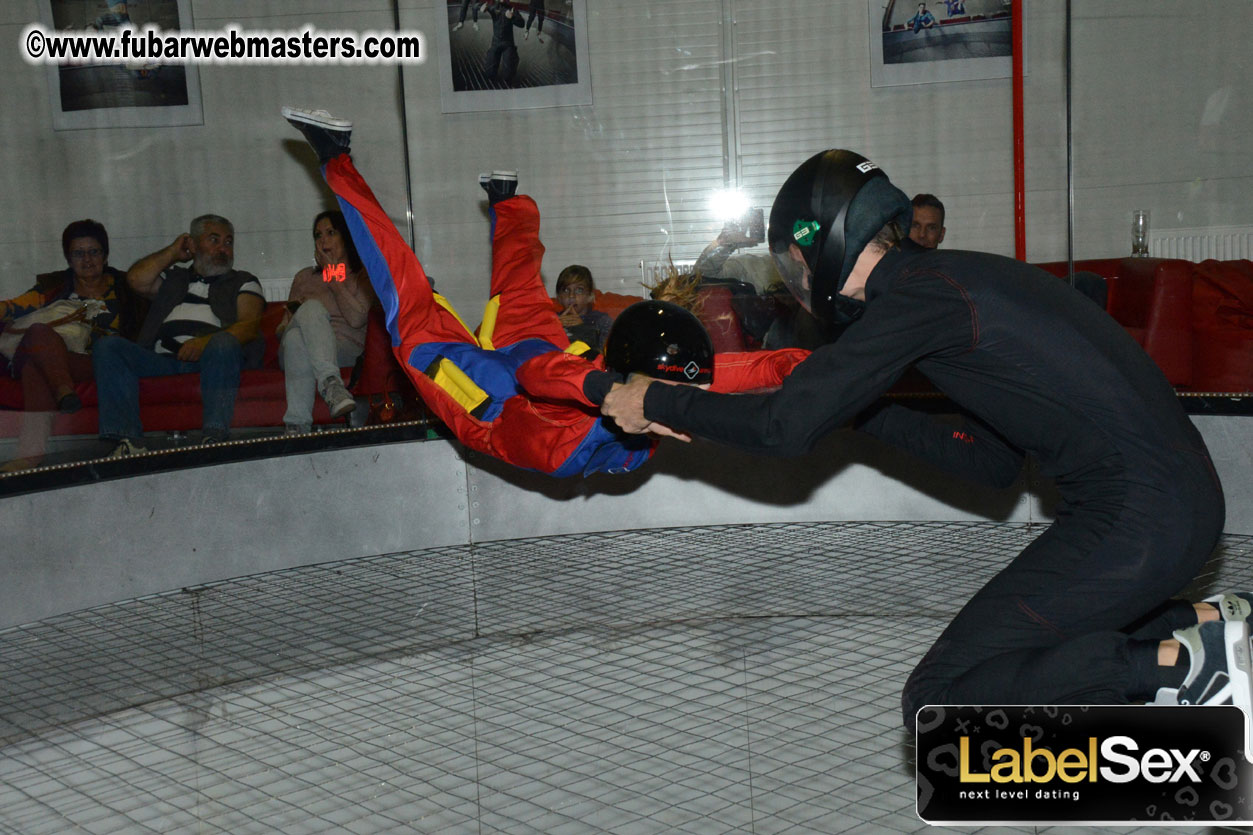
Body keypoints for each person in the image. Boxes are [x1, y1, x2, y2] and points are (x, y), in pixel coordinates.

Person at [602, 149, 1247, 741]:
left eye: (794, 262)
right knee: (1031, 656)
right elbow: (991, 465)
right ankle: (1208, 629)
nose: (797, 279)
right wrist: (856, 411)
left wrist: (652, 400)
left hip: (1138, 515)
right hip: (1177, 510)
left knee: (936, 699)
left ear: (822, 244)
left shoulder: (917, 298)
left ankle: (1184, 664)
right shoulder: (951, 283)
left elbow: (782, 429)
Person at [280, 106, 808, 477]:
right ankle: (503, 203)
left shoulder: (571, 437)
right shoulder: (310, 278)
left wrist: (830, 366)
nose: (325, 243)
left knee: (410, 303)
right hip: (556, 372)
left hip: (494, 405)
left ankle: (338, 162)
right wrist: (814, 364)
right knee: (518, 297)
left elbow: (543, 379)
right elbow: (747, 371)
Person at [93, 214, 265, 454]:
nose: (223, 248)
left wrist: (204, 343)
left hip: (211, 359)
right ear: (193, 245)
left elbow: (249, 326)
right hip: (160, 360)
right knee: (108, 346)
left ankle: (214, 438)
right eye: (213, 240)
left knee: (224, 342)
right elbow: (135, 280)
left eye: (228, 242)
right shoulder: (174, 280)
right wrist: (174, 252)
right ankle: (128, 442)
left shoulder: (244, 281)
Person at [0, 220, 144, 471]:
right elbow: (13, 307)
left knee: (38, 361)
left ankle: (31, 455)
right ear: (68, 258)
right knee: (37, 342)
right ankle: (63, 390)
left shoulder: (125, 287)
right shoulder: (54, 287)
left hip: (101, 362)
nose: (87, 260)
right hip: (57, 357)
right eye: (78, 253)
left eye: (94, 252)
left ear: (106, 255)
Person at [279, 210, 375, 434]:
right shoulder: (304, 278)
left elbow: (356, 319)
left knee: (296, 341)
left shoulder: (363, 275)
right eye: (318, 235)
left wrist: (332, 277)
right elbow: (281, 330)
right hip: (298, 347)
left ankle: (296, 426)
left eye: (331, 232)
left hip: (345, 347)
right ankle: (332, 386)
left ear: (346, 236)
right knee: (297, 328)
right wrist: (295, 318)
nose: (323, 240)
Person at [554, 265, 611, 353]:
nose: (571, 296)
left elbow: (606, 356)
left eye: (579, 290)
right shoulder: (551, 320)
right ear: (559, 297)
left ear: (590, 296)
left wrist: (582, 328)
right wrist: (554, 328)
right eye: (566, 290)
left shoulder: (601, 321)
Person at [480, 0, 525, 85]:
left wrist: (513, 17)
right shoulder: (493, 7)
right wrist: (481, 8)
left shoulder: (512, 9)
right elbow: (476, 6)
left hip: (508, 45)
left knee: (508, 76)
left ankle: (513, 60)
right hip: (496, 43)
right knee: (489, 74)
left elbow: (522, 24)